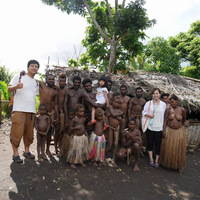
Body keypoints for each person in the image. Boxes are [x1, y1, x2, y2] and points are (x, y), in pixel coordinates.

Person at [8, 59, 40, 163]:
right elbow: (9, 89)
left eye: (36, 66)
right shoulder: (19, 77)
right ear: (28, 67)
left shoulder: (36, 82)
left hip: (31, 111)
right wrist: (17, 86)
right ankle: (15, 153)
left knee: (29, 134)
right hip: (19, 110)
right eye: (32, 66)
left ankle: (27, 151)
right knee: (16, 132)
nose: (34, 68)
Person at [160, 94, 187, 173]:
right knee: (169, 148)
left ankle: (179, 165)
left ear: (177, 101)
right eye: (170, 102)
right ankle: (169, 164)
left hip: (179, 131)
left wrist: (179, 126)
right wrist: (164, 131)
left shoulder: (182, 110)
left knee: (179, 149)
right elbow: (165, 120)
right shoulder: (168, 110)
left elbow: (184, 120)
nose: (171, 104)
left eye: (173, 102)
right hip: (169, 130)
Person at [142, 88, 166, 168]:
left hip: (159, 127)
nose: (155, 95)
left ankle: (157, 161)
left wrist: (164, 128)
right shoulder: (148, 103)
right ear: (152, 95)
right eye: (154, 93)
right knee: (150, 143)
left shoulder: (163, 104)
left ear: (159, 94)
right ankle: (151, 159)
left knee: (158, 144)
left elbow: (164, 116)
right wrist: (149, 115)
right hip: (150, 127)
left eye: (157, 93)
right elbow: (143, 112)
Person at [39, 74, 59, 156]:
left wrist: (56, 115)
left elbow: (56, 104)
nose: (51, 80)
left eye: (52, 79)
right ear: (46, 80)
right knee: (40, 132)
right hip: (41, 113)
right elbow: (32, 79)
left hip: (50, 113)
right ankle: (41, 151)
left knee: (49, 132)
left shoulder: (55, 90)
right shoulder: (42, 85)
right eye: (49, 79)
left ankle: (47, 149)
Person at [67, 104, 89, 168]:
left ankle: (80, 160)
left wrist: (85, 131)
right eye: (80, 111)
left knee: (82, 149)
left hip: (82, 137)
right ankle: (72, 162)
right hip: (76, 137)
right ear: (76, 112)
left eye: (83, 111)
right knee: (74, 150)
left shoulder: (83, 119)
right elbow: (70, 128)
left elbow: (83, 126)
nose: (82, 113)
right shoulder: (74, 120)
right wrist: (76, 128)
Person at [105, 96, 123, 168]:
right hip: (110, 128)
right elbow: (114, 114)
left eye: (119, 103)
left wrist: (114, 115)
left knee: (115, 144)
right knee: (109, 144)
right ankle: (102, 158)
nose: (117, 104)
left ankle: (113, 159)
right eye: (116, 102)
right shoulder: (110, 107)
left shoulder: (119, 110)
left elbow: (119, 118)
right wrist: (115, 115)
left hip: (116, 129)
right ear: (112, 102)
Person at [55, 73, 69, 155]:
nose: (62, 82)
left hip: (63, 113)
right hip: (57, 111)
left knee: (62, 130)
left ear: (66, 82)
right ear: (59, 81)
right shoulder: (56, 89)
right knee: (56, 131)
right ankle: (56, 147)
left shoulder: (67, 90)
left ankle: (60, 146)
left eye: (64, 81)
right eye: (61, 81)